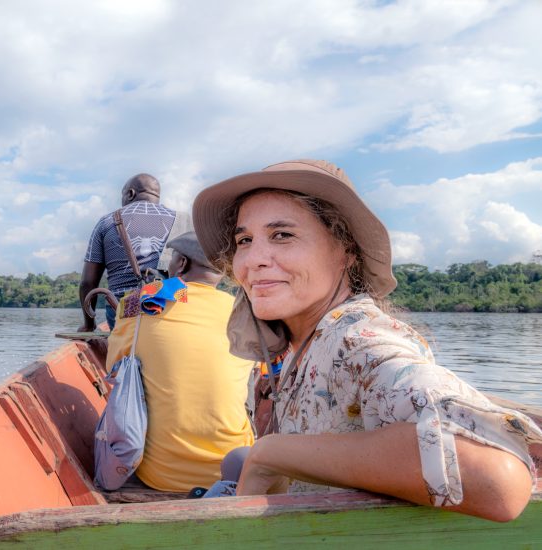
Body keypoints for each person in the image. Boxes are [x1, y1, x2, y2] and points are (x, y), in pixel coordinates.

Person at [192, 159, 542, 521]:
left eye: (282, 235)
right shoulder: (304, 342)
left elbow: (497, 480)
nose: (253, 260)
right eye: (244, 240)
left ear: (346, 251)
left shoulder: (358, 340)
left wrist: (272, 453)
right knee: (237, 460)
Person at [104, 232, 255, 492]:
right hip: (233, 470)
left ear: (182, 263)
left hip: (161, 474)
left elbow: (114, 367)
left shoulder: (142, 300)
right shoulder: (242, 310)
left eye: (172, 259)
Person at [79, 174, 179, 331]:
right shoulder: (181, 220)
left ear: (131, 193)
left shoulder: (107, 222)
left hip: (122, 308)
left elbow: (88, 283)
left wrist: (89, 325)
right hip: (170, 306)